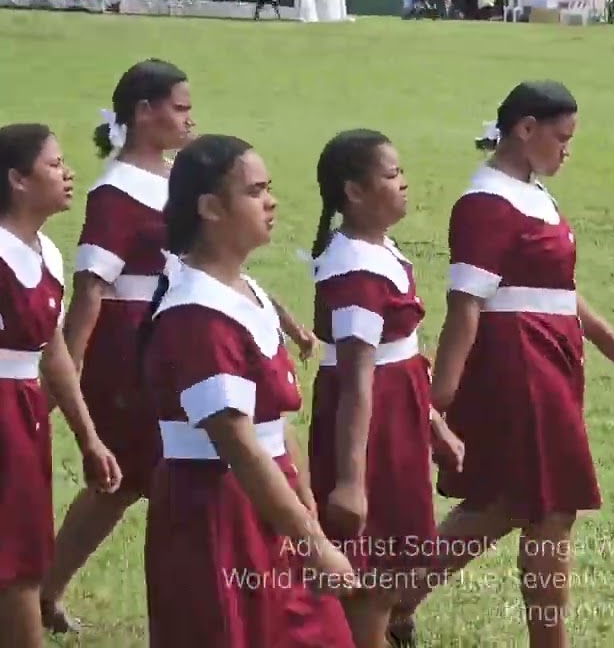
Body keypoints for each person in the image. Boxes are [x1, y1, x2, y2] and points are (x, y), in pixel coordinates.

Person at [41, 59, 316, 635]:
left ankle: (52, 587)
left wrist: (281, 316)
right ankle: (50, 586)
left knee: (139, 475)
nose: (190, 118)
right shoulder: (115, 191)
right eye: (180, 107)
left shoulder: (175, 178)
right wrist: (69, 375)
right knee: (127, 475)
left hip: (174, 336)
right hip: (130, 347)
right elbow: (90, 288)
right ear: (144, 112)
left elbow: (204, 262)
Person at [386, 81, 614, 648]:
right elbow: (466, 305)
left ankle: (395, 601)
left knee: (511, 501)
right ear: (525, 129)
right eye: (562, 137)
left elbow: (555, 284)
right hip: (520, 364)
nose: (567, 150)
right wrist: (441, 398)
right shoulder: (486, 202)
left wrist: (606, 338)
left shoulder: (530, 191)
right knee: (547, 506)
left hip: (550, 357)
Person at [140, 134, 356, 648]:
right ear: (211, 208)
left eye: (269, 188)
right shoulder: (196, 313)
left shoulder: (246, 290)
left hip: (266, 502)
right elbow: (237, 444)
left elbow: (274, 429)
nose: (271, 201)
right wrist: (312, 541)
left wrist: (307, 518)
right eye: (255, 191)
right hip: (217, 516)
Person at [306, 129, 464, 648]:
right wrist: (351, 482)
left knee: (390, 572)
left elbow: (402, 357)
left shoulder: (379, 250)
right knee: (373, 577)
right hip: (371, 432)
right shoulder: (355, 267)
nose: (404, 184)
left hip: (396, 419)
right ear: (354, 192)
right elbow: (356, 380)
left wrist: (432, 423)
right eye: (391, 175)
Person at [0, 123, 122, 648]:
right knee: (13, 562)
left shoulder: (46, 251)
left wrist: (88, 438)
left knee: (24, 555)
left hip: (23, 414)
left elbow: (53, 354)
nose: (68, 173)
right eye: (53, 164)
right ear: (17, 180)